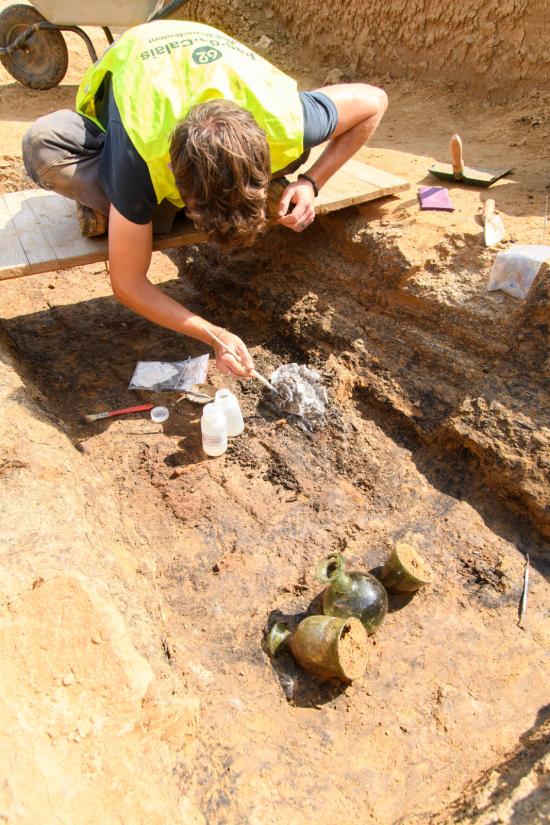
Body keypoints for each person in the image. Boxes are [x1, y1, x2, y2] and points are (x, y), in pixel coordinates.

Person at [22, 20, 387, 378]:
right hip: (136, 80)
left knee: (295, 154)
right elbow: (128, 282)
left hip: (214, 87)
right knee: (42, 147)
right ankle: (134, 210)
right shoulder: (140, 157)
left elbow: (374, 100)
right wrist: (215, 334)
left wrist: (311, 181)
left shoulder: (286, 120)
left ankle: (134, 216)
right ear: (176, 177)